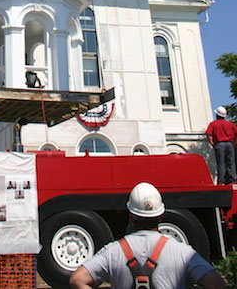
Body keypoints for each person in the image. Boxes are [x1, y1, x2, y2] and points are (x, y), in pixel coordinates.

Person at [70, 181, 227, 288]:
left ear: (130, 216)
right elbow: (218, 285)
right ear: (160, 216)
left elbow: (77, 279)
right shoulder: (183, 254)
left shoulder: (112, 252)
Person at [206, 106, 237, 185]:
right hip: (229, 144)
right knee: (231, 162)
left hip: (219, 144)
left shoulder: (213, 124)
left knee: (221, 163)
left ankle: (221, 181)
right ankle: (233, 180)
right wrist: (234, 143)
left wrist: (212, 143)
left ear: (217, 115)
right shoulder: (229, 124)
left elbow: (208, 134)